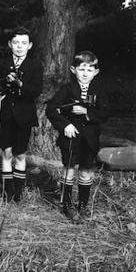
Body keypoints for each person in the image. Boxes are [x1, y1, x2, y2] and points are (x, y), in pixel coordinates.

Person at [46, 51, 110, 222]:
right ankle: (67, 205)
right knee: (68, 170)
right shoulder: (67, 89)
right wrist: (65, 125)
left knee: (86, 171)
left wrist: (87, 112)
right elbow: (51, 109)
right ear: (73, 70)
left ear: (96, 72)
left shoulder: (99, 90)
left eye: (89, 70)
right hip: (70, 137)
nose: (85, 74)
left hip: (90, 138)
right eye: (82, 69)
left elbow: (105, 112)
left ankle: (83, 205)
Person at [0, 27, 43, 202]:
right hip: (5, 114)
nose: (19, 47)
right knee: (6, 152)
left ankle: (18, 192)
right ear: (10, 44)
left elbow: (36, 90)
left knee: (20, 154)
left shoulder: (35, 66)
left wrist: (20, 85)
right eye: (15, 43)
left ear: (29, 45)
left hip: (24, 116)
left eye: (23, 43)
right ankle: (7, 191)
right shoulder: (1, 63)